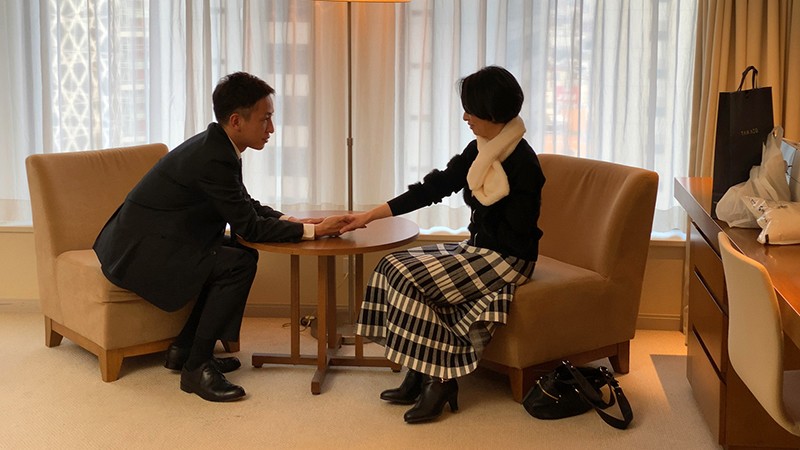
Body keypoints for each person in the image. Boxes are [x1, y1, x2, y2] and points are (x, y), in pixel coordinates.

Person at [93, 72, 350, 402]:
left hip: (157, 241)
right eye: (265, 119)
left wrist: (292, 221)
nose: (271, 129)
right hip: (139, 254)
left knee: (242, 255)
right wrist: (313, 232)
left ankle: (184, 350)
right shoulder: (213, 156)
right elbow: (249, 227)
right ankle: (196, 369)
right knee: (237, 264)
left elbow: (243, 203)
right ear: (236, 121)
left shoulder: (217, 146)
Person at [339, 66, 545, 423]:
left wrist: (491, 214)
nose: (465, 117)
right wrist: (370, 215)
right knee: (391, 266)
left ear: (493, 112)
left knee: (408, 278)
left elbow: (517, 235)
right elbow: (434, 188)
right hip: (479, 250)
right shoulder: (481, 151)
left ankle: (440, 379)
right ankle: (419, 370)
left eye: (471, 110)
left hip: (509, 258)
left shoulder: (523, 162)